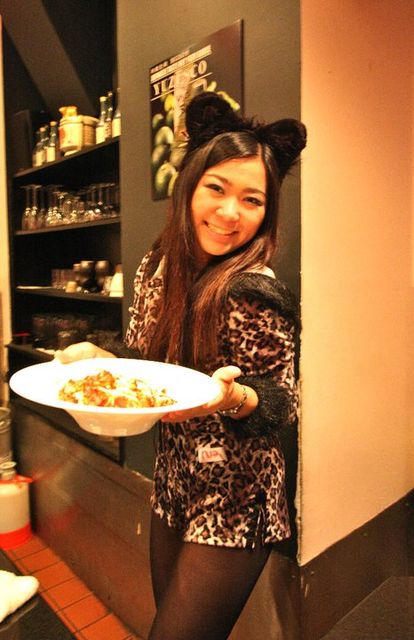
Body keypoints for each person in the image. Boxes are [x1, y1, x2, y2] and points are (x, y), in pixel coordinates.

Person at [56, 92, 306, 640]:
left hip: (237, 498)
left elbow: (282, 401)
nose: (230, 213)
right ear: (190, 184)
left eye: (252, 200)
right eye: (216, 188)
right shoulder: (157, 266)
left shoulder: (255, 290)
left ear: (267, 211)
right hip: (172, 483)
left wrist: (233, 398)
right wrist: (101, 359)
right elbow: (146, 362)